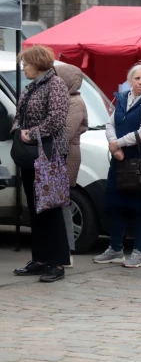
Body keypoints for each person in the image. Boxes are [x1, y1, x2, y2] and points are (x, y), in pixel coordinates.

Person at [93, 63, 141, 268]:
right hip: (120, 159)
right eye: (136, 78)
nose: (140, 82)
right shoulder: (123, 98)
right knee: (116, 204)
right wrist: (114, 147)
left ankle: (140, 251)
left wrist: (119, 143)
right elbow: (110, 124)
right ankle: (115, 248)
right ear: (130, 80)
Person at [12, 45, 71, 283]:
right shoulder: (29, 88)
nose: (23, 67)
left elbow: (57, 117)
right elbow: (19, 115)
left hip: (50, 154)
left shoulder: (55, 85)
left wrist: (33, 132)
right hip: (30, 154)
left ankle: (56, 262)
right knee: (36, 208)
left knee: (50, 207)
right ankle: (40, 259)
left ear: (37, 63)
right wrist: (18, 129)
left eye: (26, 63)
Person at [54, 64, 89, 266]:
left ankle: (66, 250)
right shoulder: (65, 99)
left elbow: (65, 133)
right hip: (63, 155)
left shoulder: (74, 102)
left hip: (67, 156)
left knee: (62, 204)